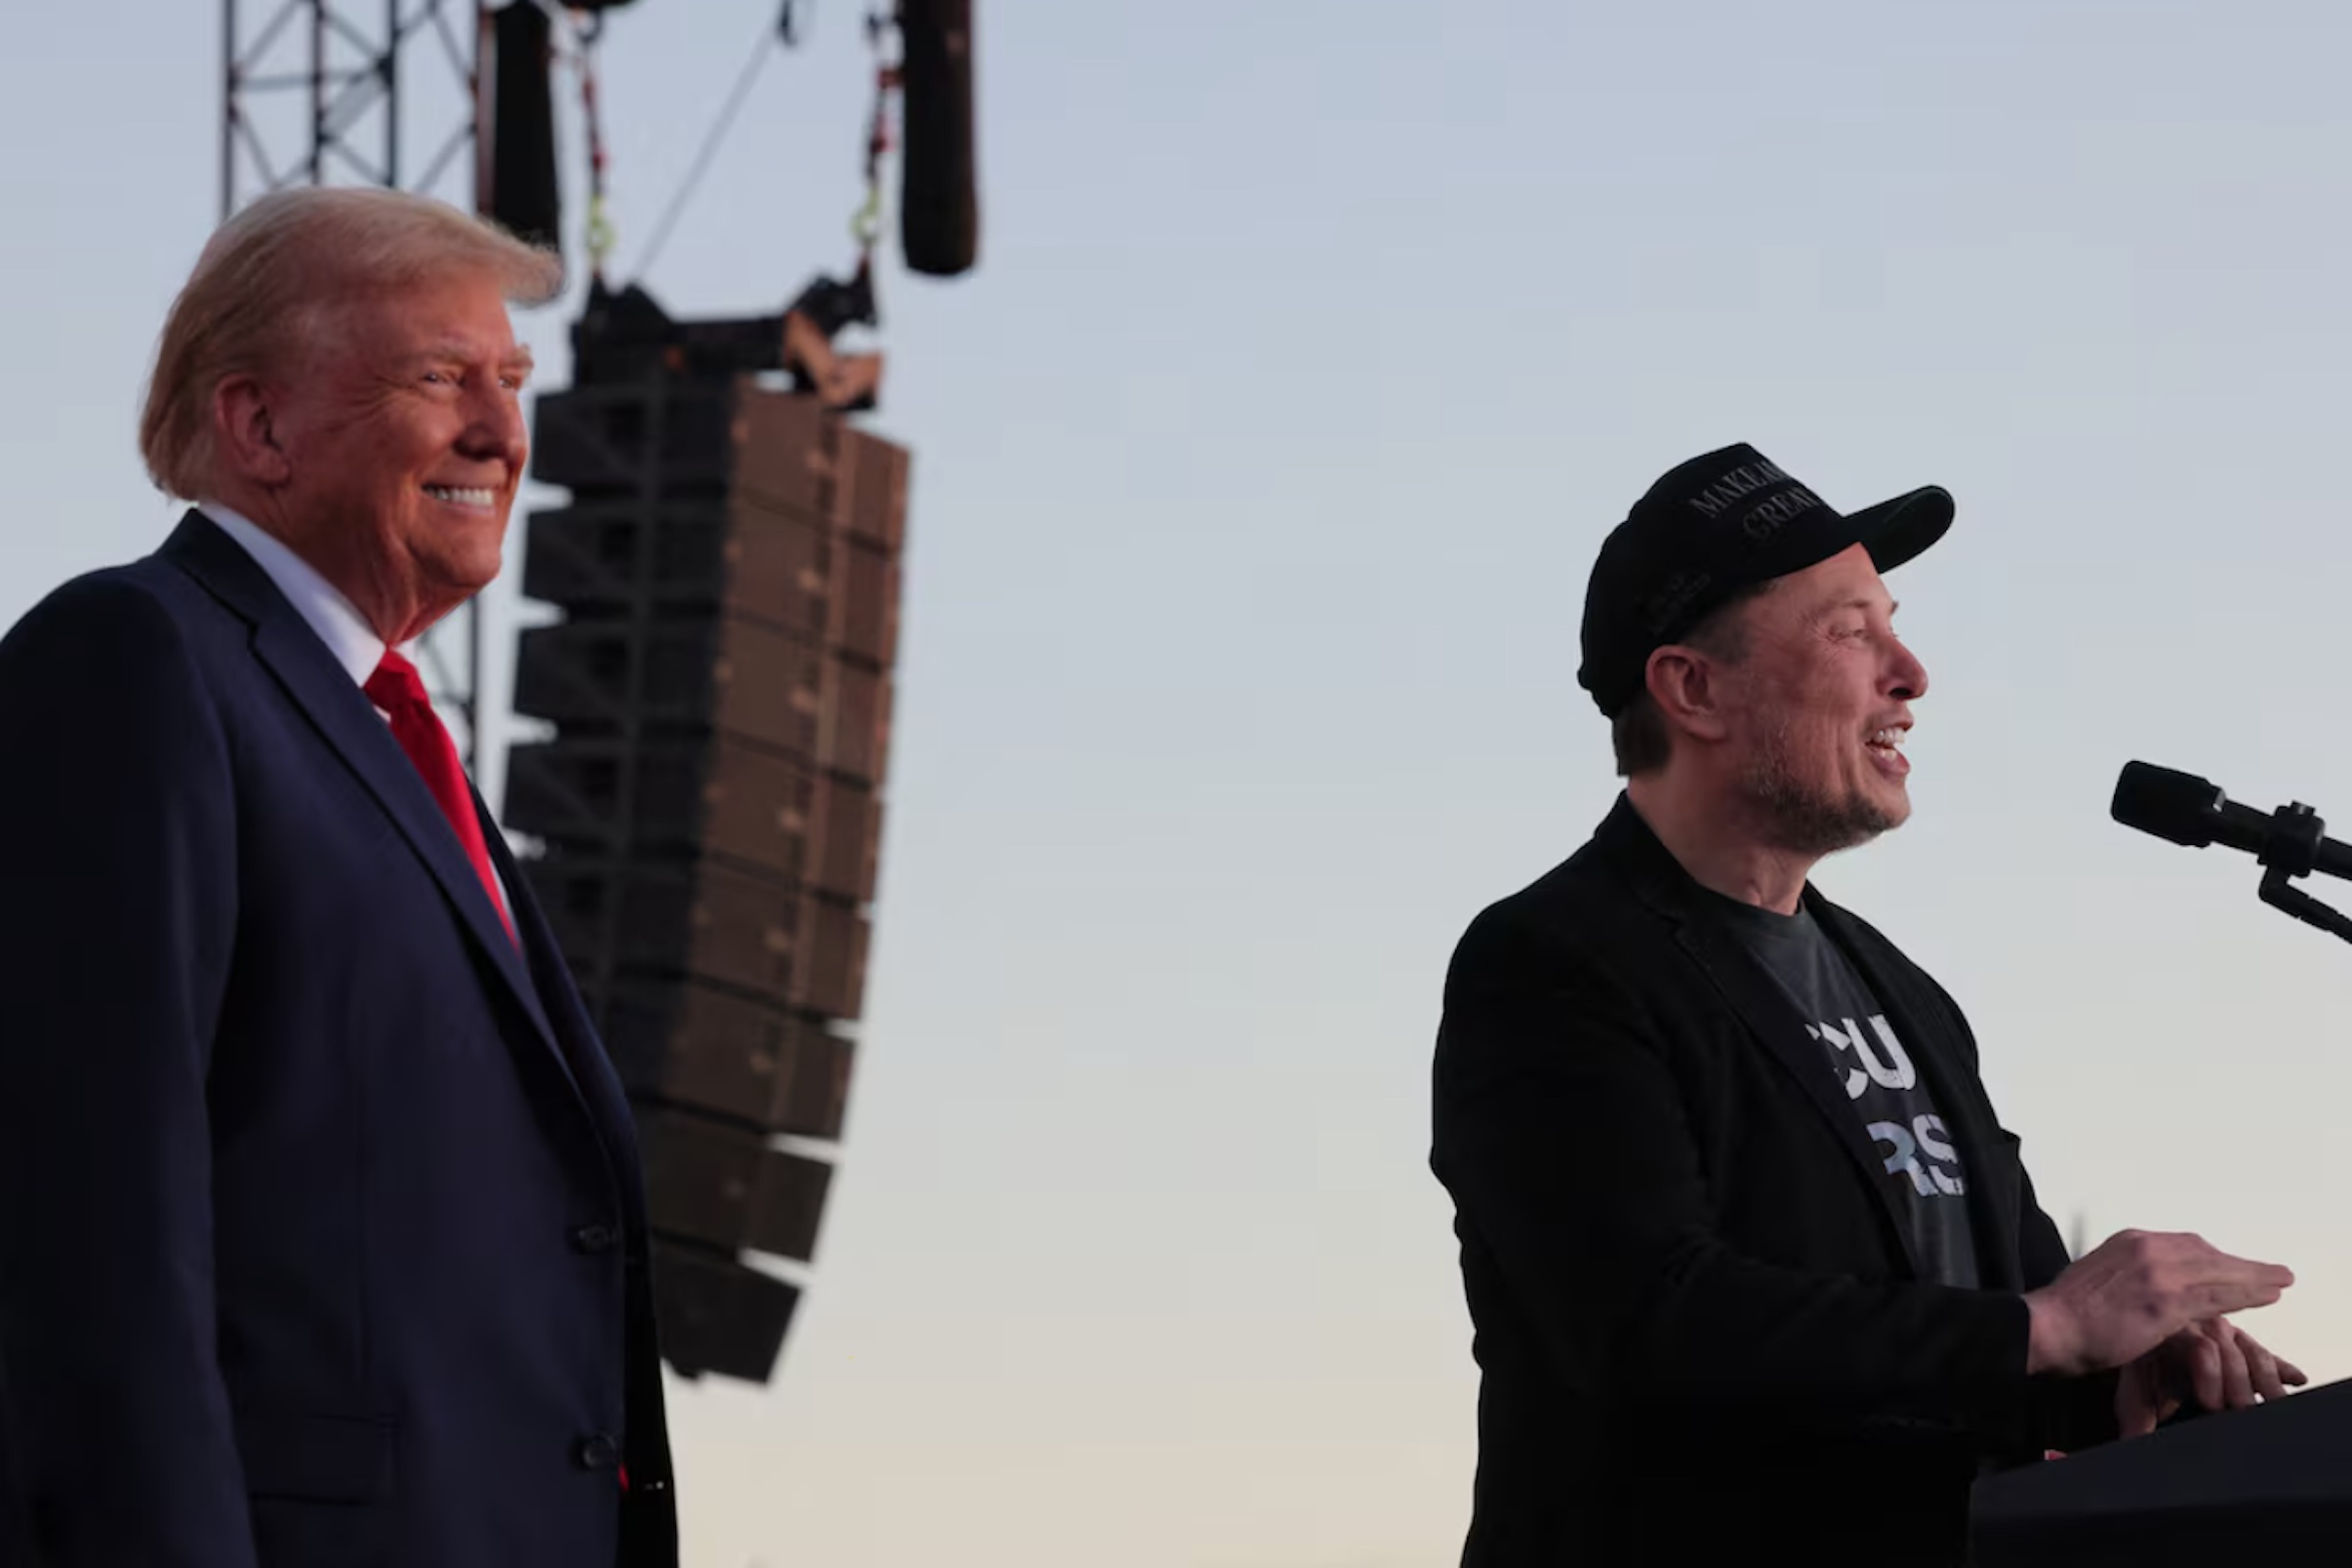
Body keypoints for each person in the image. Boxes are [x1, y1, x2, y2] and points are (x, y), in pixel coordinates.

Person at [1429, 444, 2306, 1565]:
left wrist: (2110, 1373)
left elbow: (1980, 1335)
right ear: (1692, 688)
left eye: (1891, 622)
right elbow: (1650, 1321)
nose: (1910, 671)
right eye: (1850, 632)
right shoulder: (1551, 960)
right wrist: (2046, 1327)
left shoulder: (1908, 997)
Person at [0, 187, 676, 1568]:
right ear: (258, 425)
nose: (503, 430)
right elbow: (90, 1248)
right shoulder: (134, 659)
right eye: (441, 378)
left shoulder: (396, 742)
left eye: (511, 380)